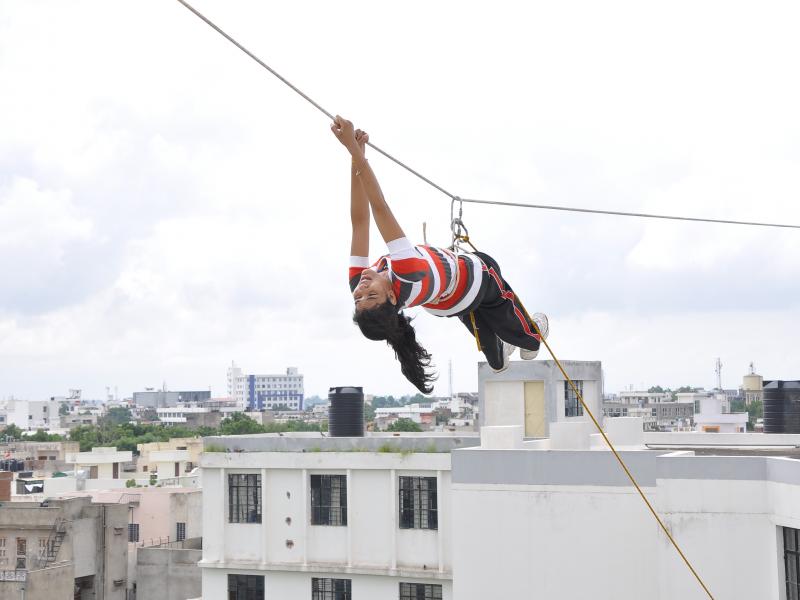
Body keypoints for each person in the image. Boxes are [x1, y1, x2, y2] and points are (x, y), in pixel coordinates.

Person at [331, 116, 548, 393]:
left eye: (358, 297)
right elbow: (379, 208)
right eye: (371, 294)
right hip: (475, 278)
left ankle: (497, 359)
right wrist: (352, 150)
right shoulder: (407, 272)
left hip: (448, 303)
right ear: (393, 298)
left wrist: (356, 157)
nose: (361, 290)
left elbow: (359, 221)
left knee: (480, 321)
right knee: (501, 303)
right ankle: (532, 340)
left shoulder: (358, 280)